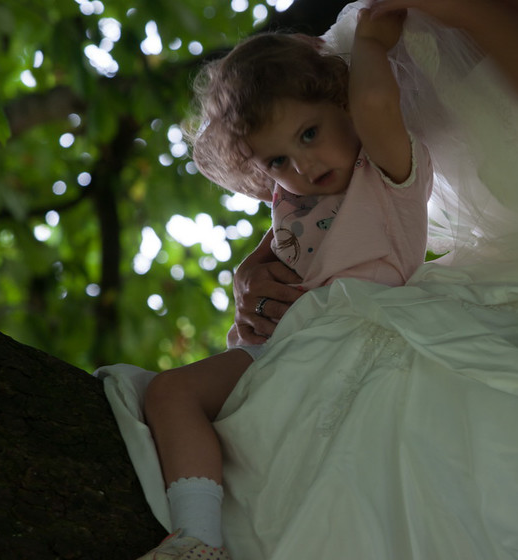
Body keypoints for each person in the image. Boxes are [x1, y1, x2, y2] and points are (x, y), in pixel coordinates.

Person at [95, 1, 518, 558]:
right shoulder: (362, 27)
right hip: (461, 288)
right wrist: (264, 266)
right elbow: (323, 171)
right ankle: (197, 538)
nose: (298, 161)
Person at [131, 7, 433, 559]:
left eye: (310, 133)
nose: (302, 165)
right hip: (279, 350)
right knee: (168, 392)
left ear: (342, 100)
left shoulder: (389, 172)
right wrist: (246, 274)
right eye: (278, 160)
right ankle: (197, 540)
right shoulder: (295, 197)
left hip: (350, 344)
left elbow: (375, 103)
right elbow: (283, 250)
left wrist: (369, 45)